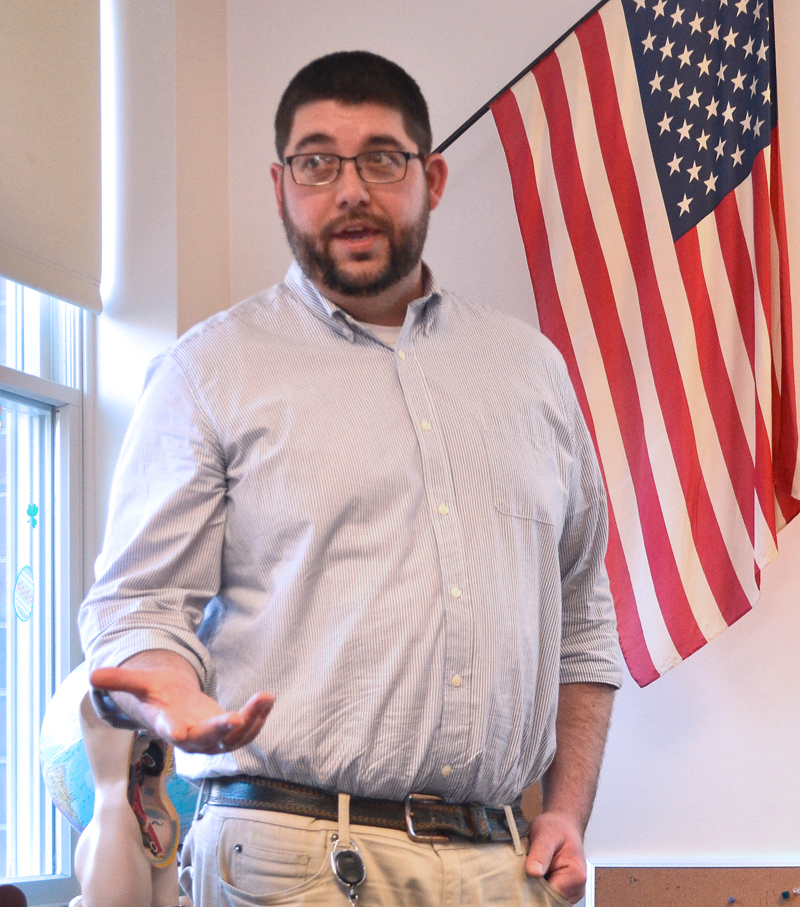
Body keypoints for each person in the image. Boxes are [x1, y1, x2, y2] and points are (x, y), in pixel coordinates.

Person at [80, 50, 622, 907]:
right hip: (292, 860)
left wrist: (569, 808)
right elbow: (138, 608)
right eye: (316, 162)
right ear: (280, 183)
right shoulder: (208, 371)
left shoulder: (534, 373)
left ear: (431, 177)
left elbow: (585, 619)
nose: (350, 189)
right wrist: (169, 693)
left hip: (502, 866)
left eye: (381, 158)